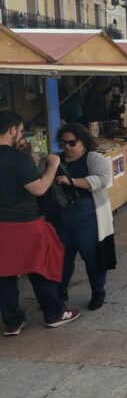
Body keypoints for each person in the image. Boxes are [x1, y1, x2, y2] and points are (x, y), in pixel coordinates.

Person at [0, 111, 81, 334]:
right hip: (25, 222)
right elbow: (39, 188)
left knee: (4, 273)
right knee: (39, 266)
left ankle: (12, 321)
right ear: (13, 130)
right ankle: (54, 313)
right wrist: (53, 165)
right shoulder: (19, 158)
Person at [53, 123, 116, 311]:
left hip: (88, 214)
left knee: (92, 255)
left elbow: (102, 180)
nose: (67, 147)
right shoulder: (55, 160)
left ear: (83, 141)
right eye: (63, 143)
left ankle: (98, 290)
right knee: (62, 257)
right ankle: (60, 291)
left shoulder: (94, 158)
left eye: (72, 143)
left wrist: (72, 182)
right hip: (60, 215)